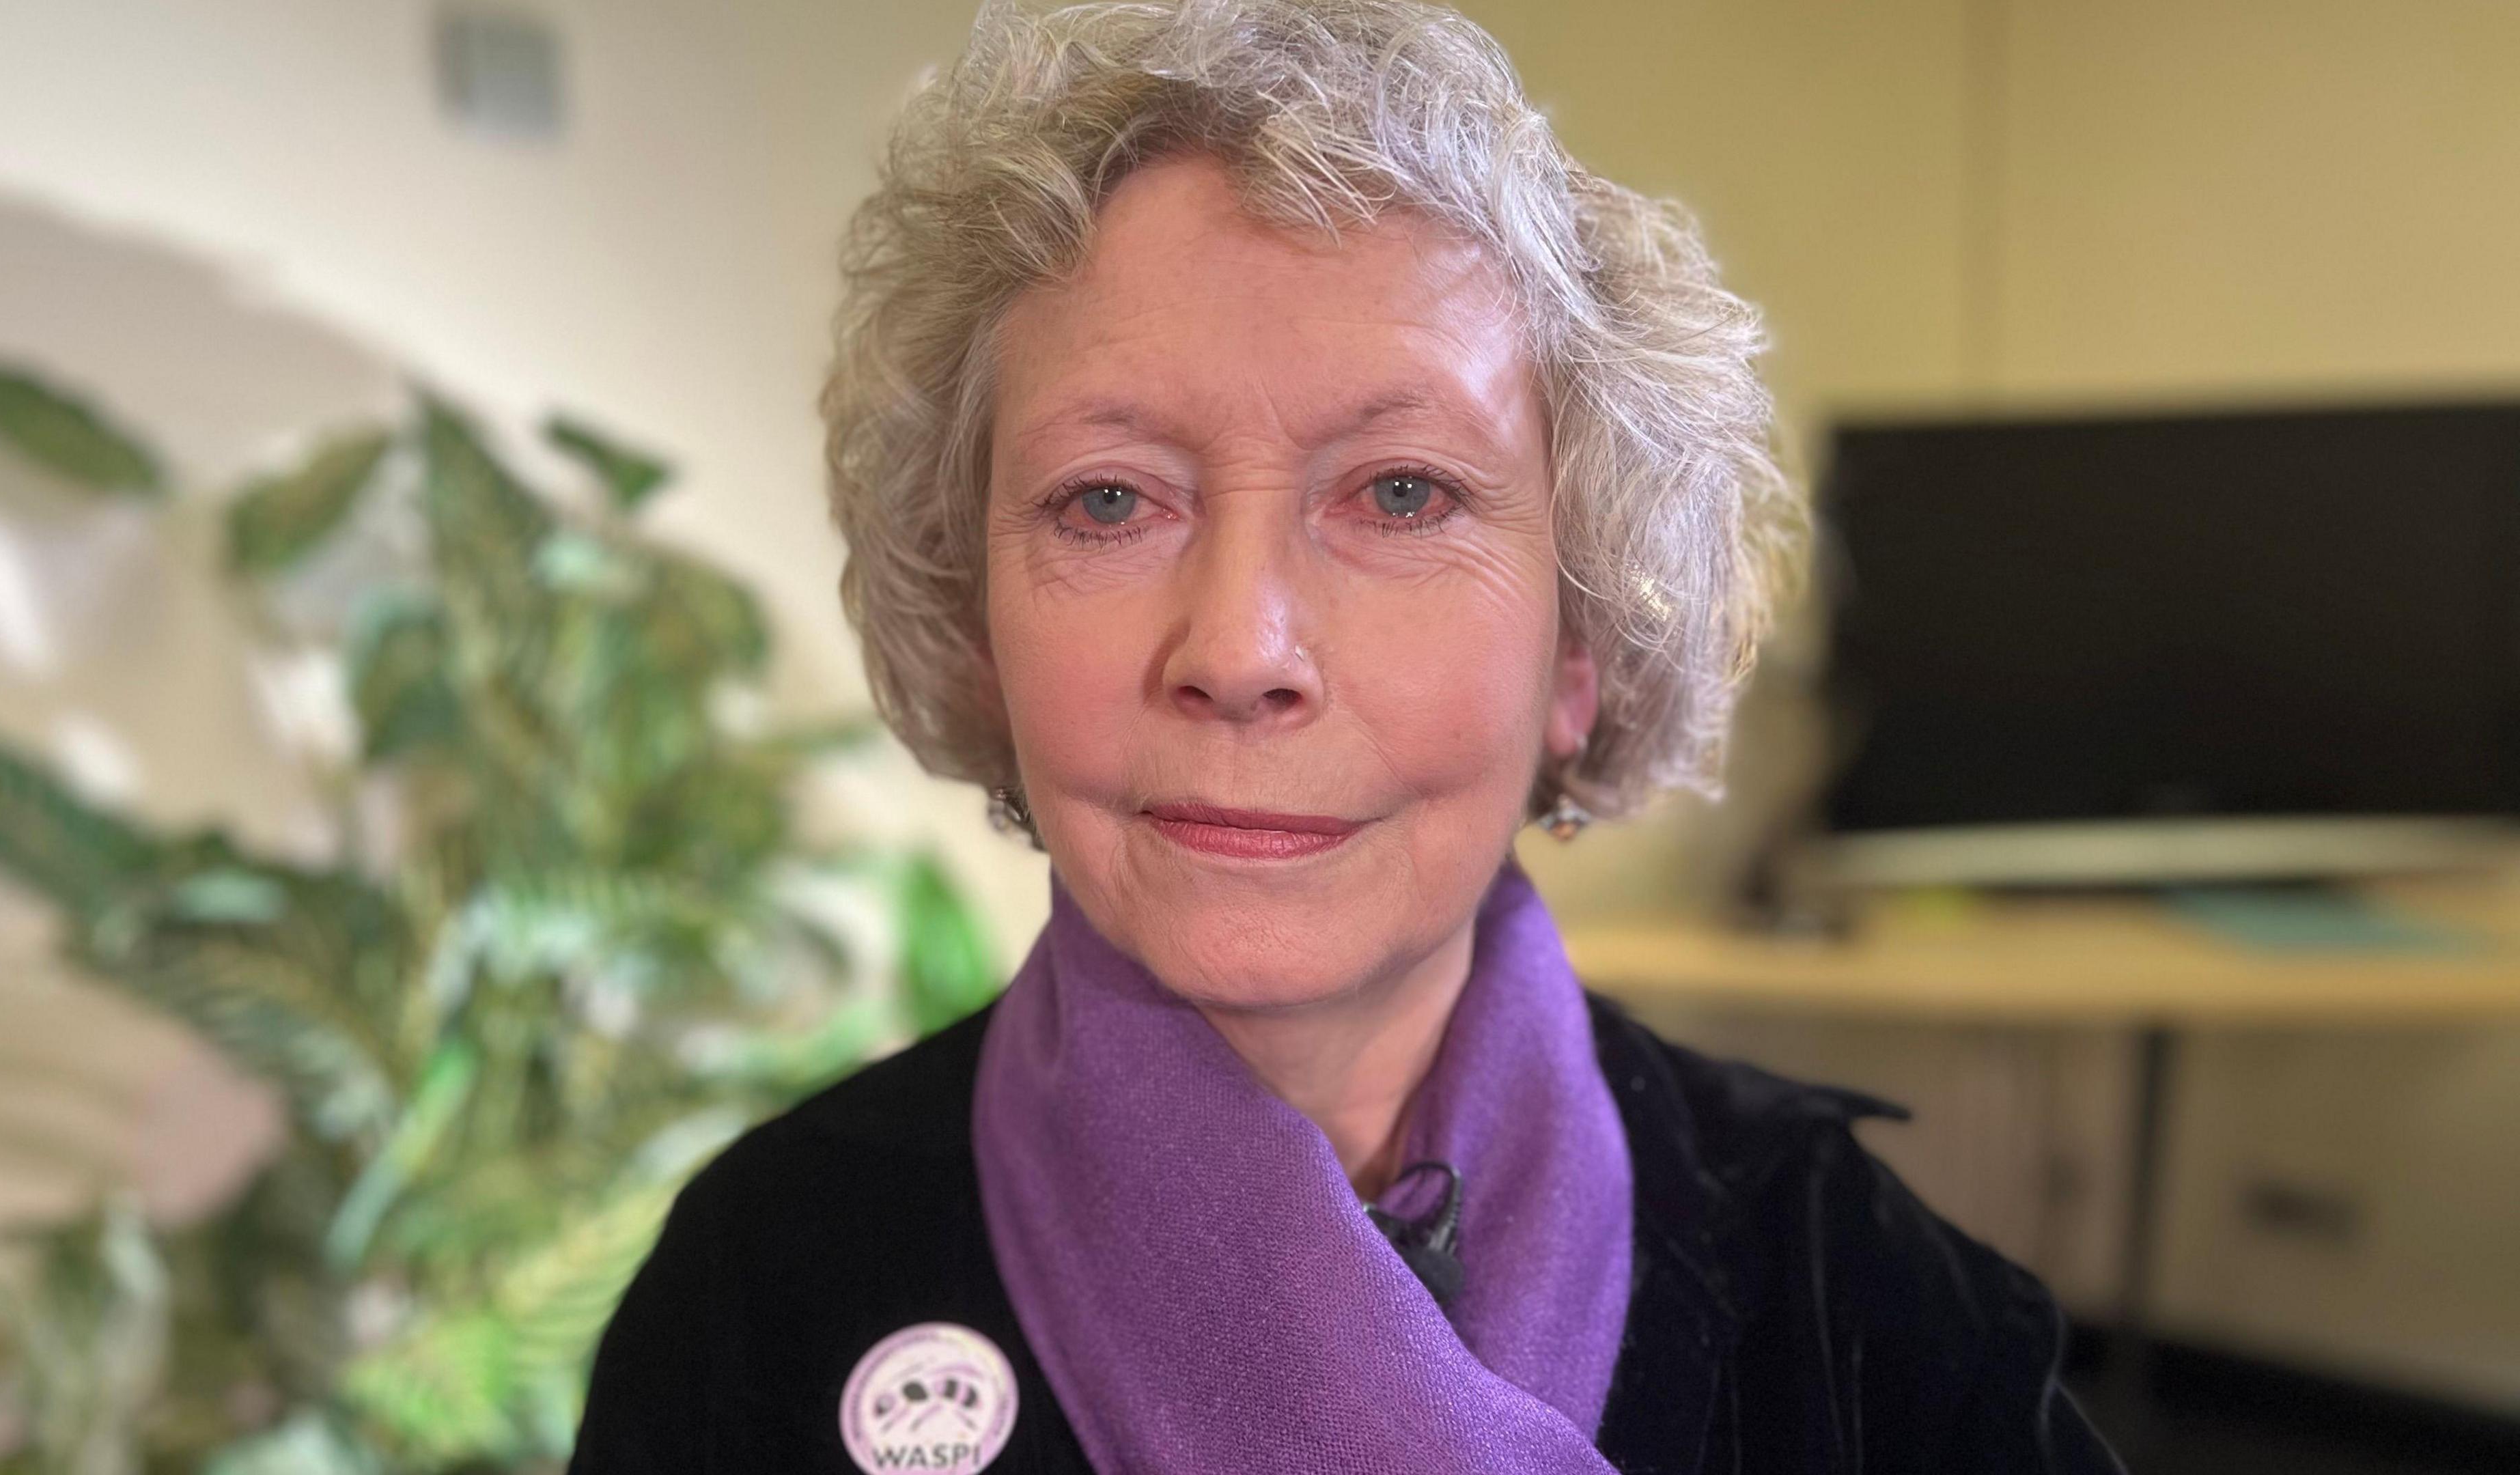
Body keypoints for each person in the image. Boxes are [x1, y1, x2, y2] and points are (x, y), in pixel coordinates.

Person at [570, 1, 2121, 1471]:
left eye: (1401, 495)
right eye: (1108, 501)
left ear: (1581, 650)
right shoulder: (758, 1290)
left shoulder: (1867, 1306)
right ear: (975, 627)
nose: (1241, 651)